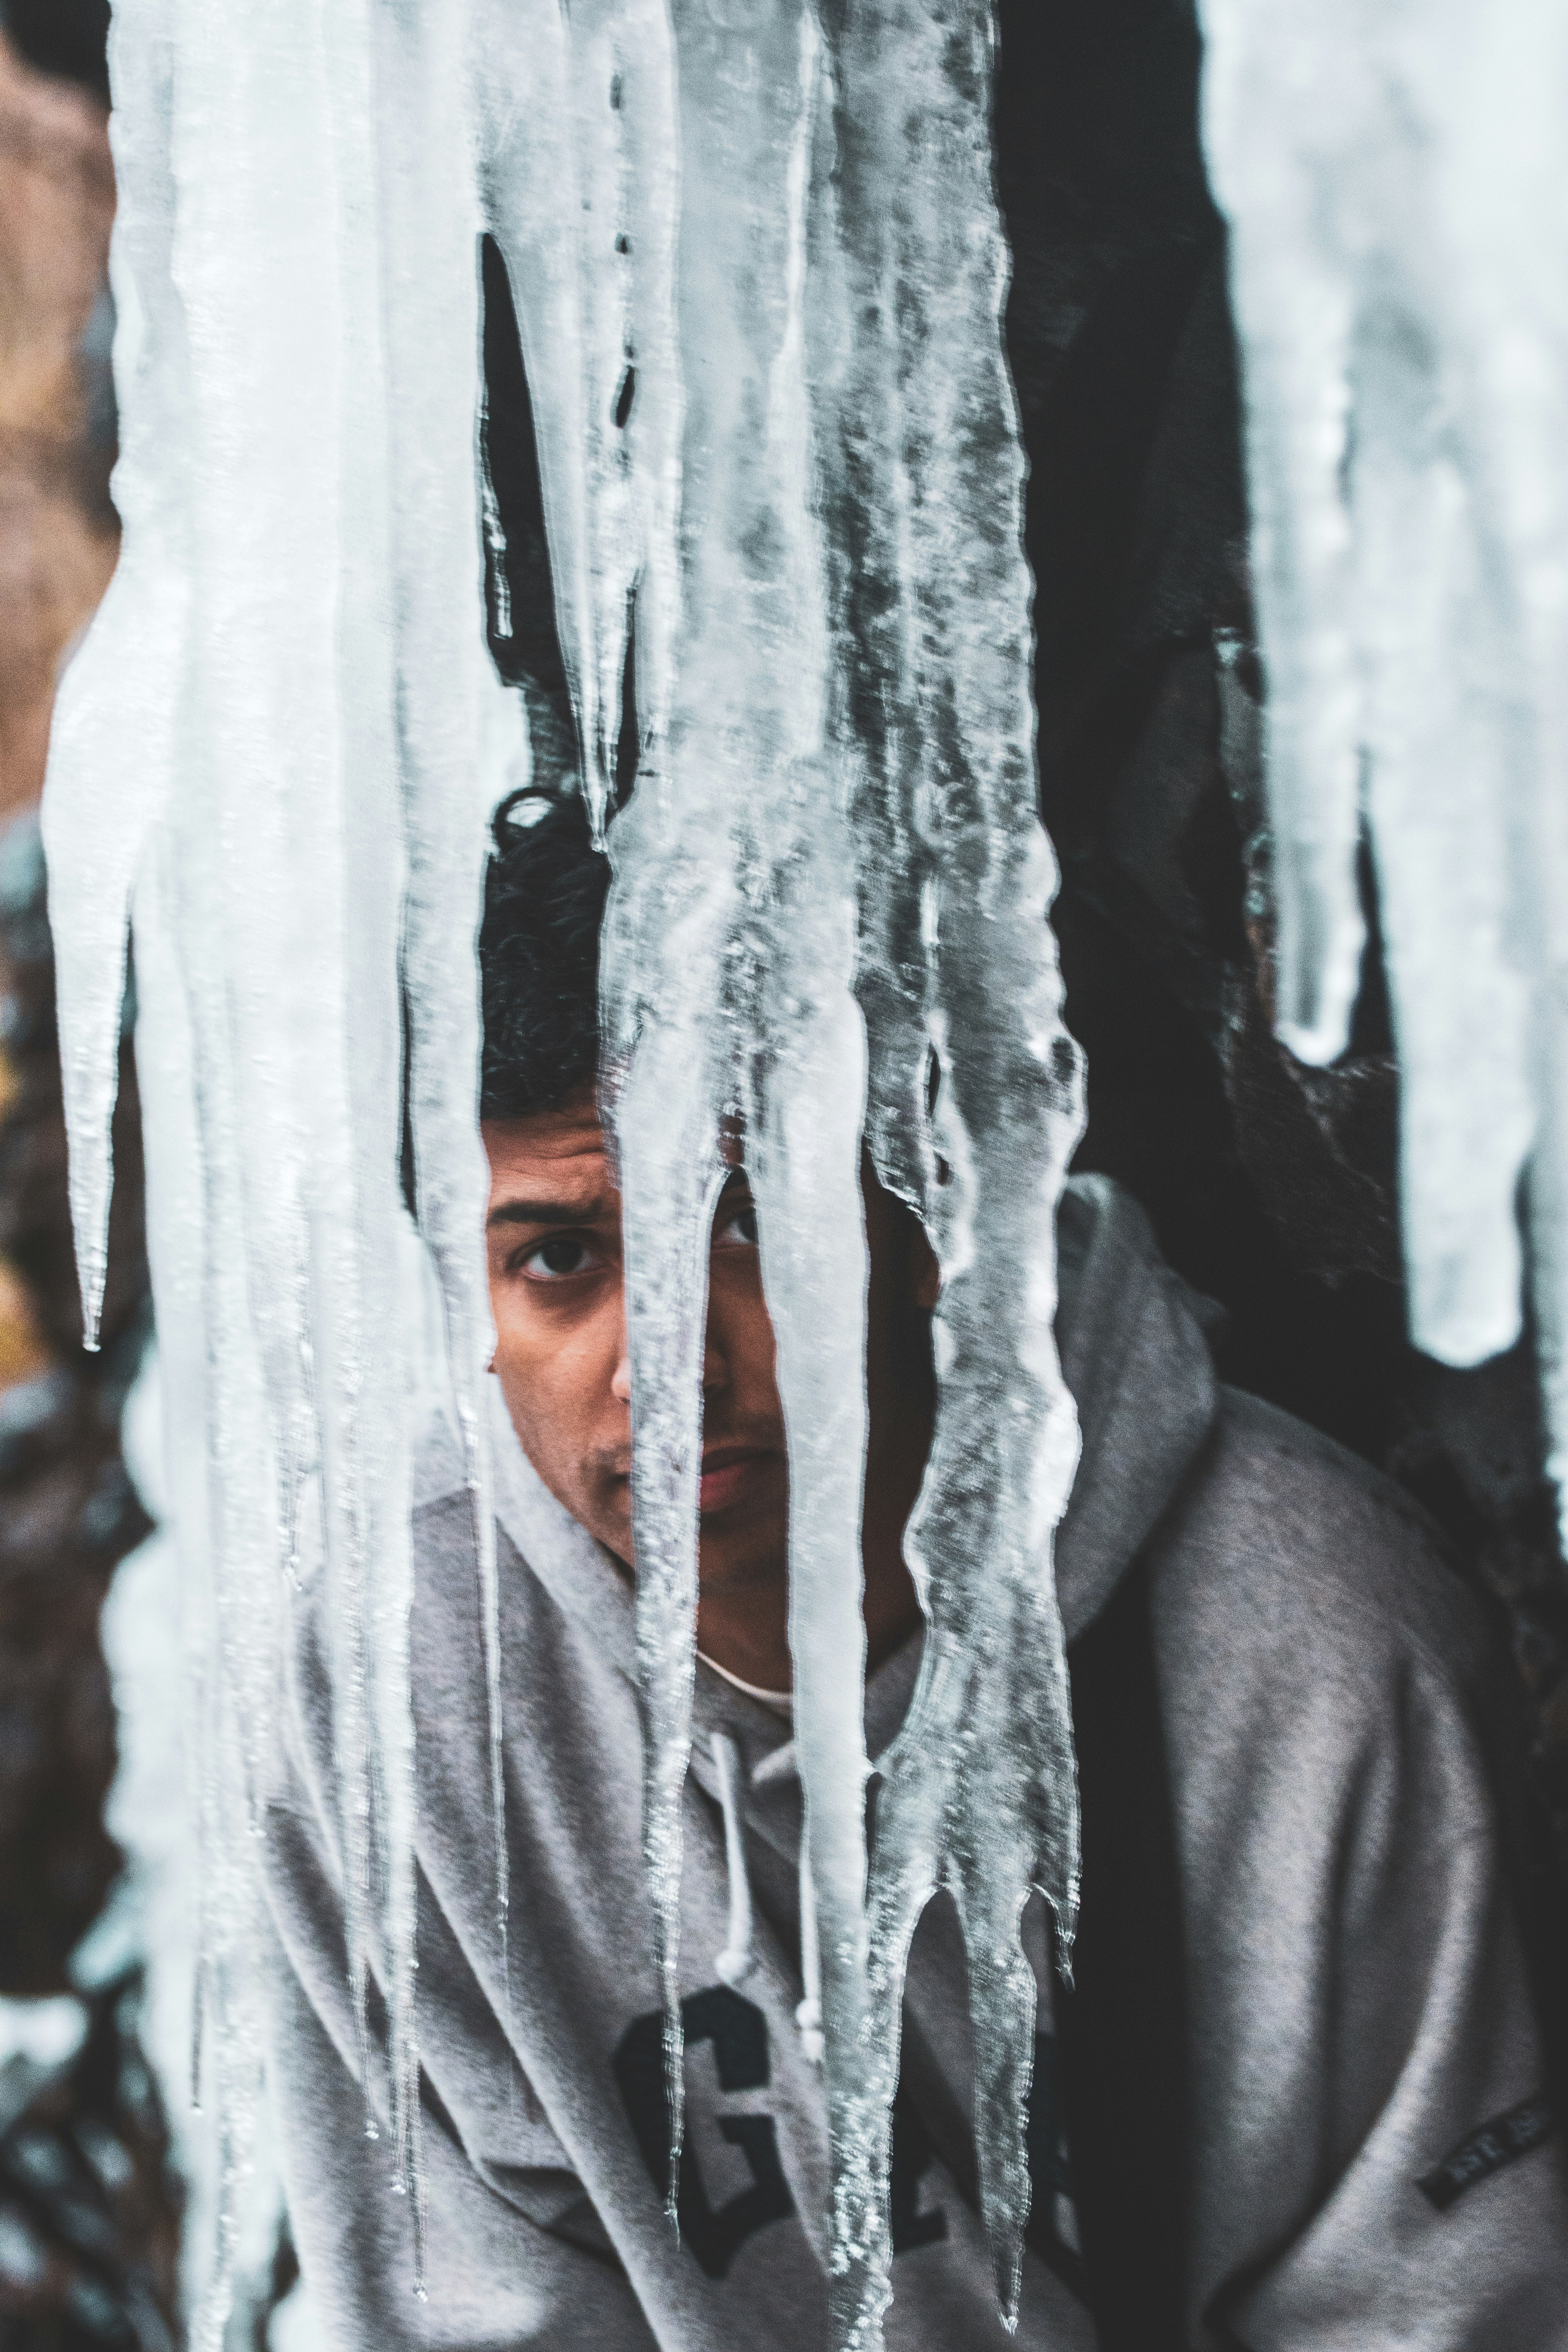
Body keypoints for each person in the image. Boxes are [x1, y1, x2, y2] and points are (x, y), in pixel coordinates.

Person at [262, 790, 1568, 2351]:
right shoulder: (395, 1703)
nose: (663, 1364)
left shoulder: (1306, 1649)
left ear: (921, 1208)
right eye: (561, 1260)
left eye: (743, 1225)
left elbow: (1441, 2314)